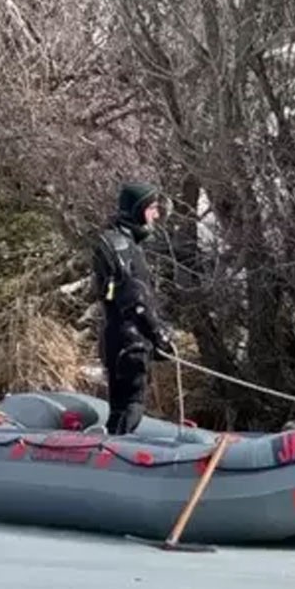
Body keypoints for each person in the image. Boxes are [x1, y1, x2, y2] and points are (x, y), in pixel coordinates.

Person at [91, 181, 175, 435]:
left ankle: (109, 445)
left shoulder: (118, 242)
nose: (156, 215)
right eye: (151, 209)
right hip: (130, 340)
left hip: (118, 337)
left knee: (121, 405)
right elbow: (134, 298)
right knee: (131, 406)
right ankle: (112, 451)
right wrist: (157, 333)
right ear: (138, 210)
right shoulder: (123, 247)